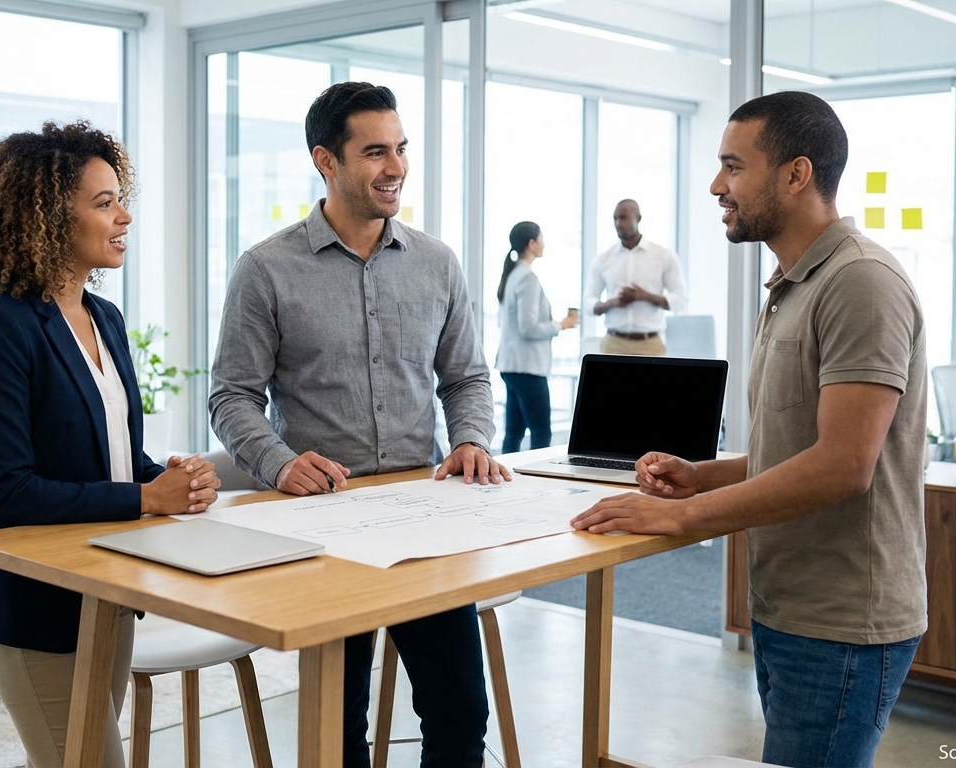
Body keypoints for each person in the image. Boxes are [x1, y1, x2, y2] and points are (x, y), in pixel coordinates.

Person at [572, 91, 927, 768]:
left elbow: (844, 465)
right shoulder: (793, 283)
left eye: (733, 167)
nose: (717, 186)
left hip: (841, 619)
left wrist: (682, 516)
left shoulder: (860, 282)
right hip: (789, 605)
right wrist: (701, 476)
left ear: (796, 174)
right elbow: (795, 448)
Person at [209, 81, 505, 767]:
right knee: (336, 727)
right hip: (323, 526)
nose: (395, 166)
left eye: (400, 148)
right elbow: (232, 395)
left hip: (425, 522)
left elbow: (466, 377)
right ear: (326, 161)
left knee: (460, 713)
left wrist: (470, 438)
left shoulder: (437, 263)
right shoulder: (265, 269)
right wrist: (281, 462)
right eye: (375, 152)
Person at [0, 121, 221, 768]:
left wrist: (168, 479)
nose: (124, 216)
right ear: (47, 218)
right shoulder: (0, 327)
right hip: (32, 606)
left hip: (105, 593)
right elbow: (10, 493)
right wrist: (147, 499)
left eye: (120, 199)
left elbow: (114, 460)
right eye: (104, 203)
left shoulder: (106, 318)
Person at [495, 221, 578, 453]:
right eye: (541, 238)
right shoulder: (527, 278)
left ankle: (506, 473)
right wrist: (562, 325)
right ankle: (539, 475)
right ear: (531, 243)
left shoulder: (513, 275)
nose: (544, 243)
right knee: (541, 433)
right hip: (527, 368)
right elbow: (529, 328)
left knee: (514, 432)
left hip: (512, 365)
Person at [584, 198, 686, 355]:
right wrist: (612, 303)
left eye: (623, 217)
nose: (618, 224)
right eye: (615, 218)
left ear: (638, 218)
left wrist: (644, 296)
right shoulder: (603, 259)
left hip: (649, 345)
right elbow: (588, 303)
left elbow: (680, 299)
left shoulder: (663, 256)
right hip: (613, 344)